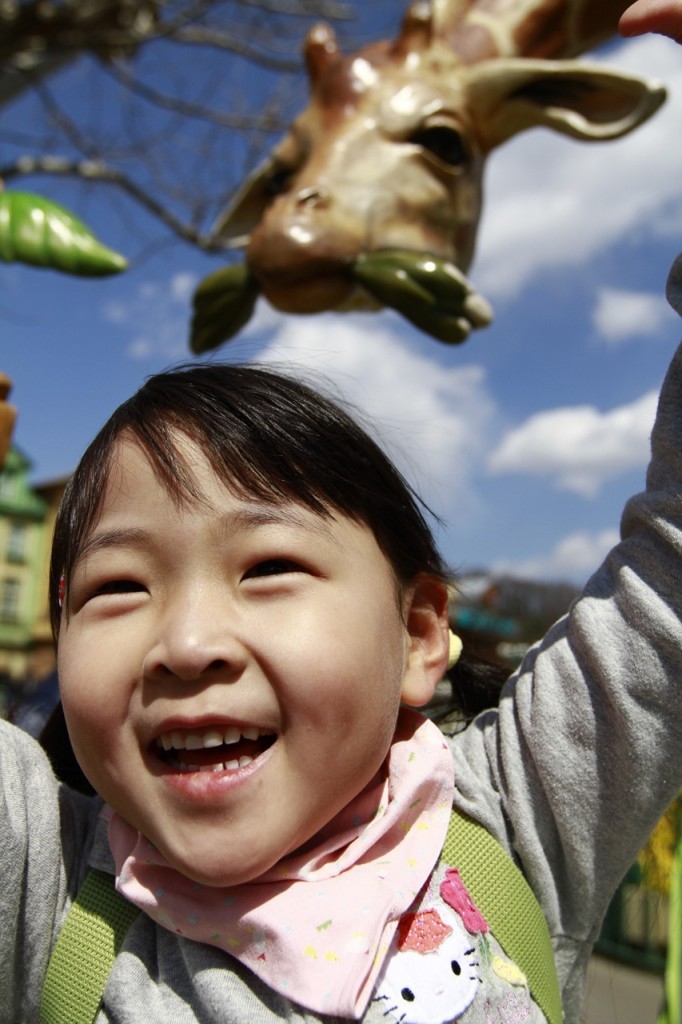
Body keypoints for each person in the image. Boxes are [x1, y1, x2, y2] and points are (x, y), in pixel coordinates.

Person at [3, 9, 682, 1023]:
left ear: (417, 635)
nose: (185, 641)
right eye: (116, 587)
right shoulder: (47, 894)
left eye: (269, 566)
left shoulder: (510, 819)